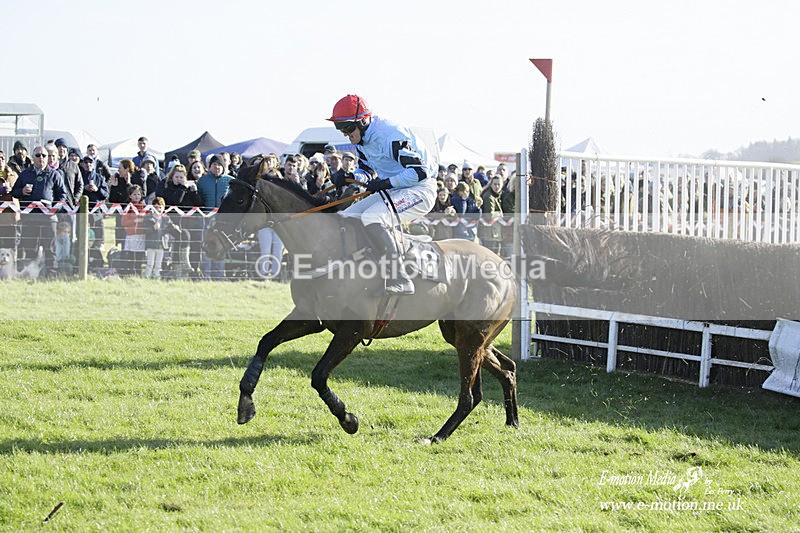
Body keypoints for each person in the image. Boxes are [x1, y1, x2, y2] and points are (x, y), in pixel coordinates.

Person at [327, 94, 436, 295]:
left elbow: (420, 172)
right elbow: (367, 172)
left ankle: (400, 278)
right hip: (394, 190)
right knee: (346, 217)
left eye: (348, 128)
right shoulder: (361, 140)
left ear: (363, 121)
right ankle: (366, 269)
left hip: (420, 190)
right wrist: (350, 176)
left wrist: (386, 183)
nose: (345, 134)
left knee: (372, 217)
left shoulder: (390, 135)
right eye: (340, 129)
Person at [11, 146, 67, 266]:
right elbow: (14, 192)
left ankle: (51, 271)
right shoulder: (25, 174)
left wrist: (55, 209)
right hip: (29, 218)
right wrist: (22, 191)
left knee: (50, 248)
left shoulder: (55, 174)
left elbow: (63, 194)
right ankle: (31, 272)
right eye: (38, 155)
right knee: (30, 248)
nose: (41, 157)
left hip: (48, 218)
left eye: (44, 155)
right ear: (32, 157)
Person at [157, 164, 201, 278]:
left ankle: (182, 271)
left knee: (183, 241)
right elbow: (175, 200)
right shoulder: (167, 187)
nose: (179, 179)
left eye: (181, 177)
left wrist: (194, 191)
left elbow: (198, 203)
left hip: (187, 222)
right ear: (172, 177)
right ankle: (182, 264)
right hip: (170, 221)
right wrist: (183, 188)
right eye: (177, 177)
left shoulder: (188, 188)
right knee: (180, 238)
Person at [197, 154, 232, 279]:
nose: (217, 167)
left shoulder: (231, 181)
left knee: (221, 247)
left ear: (223, 166)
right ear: (210, 166)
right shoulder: (202, 181)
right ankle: (206, 275)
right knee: (206, 246)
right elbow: (199, 199)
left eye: (219, 165)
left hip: (224, 221)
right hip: (206, 219)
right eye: (214, 164)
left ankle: (219, 275)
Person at [108, 159, 146, 247]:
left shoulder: (138, 177)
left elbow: (139, 196)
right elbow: (113, 200)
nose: (118, 170)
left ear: (127, 169)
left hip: (134, 214)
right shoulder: (118, 179)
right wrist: (114, 187)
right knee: (121, 239)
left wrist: (128, 184)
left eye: (120, 168)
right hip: (121, 214)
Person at [80, 155, 109, 252]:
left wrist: (97, 190)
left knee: (98, 235)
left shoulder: (99, 178)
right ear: (82, 164)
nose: (88, 164)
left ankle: (96, 256)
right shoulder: (79, 176)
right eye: (86, 162)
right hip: (82, 210)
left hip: (96, 211)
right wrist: (84, 188)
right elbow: (74, 192)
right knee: (81, 234)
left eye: (90, 162)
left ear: (93, 164)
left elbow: (106, 195)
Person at [119, 184, 146, 275]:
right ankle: (130, 273)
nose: (137, 196)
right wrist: (135, 220)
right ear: (130, 195)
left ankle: (138, 274)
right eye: (134, 194)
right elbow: (123, 222)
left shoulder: (144, 207)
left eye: (138, 194)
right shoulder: (129, 207)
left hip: (142, 235)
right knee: (131, 256)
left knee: (139, 257)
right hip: (132, 235)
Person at [142, 196, 170, 279]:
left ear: (164, 208)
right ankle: (147, 276)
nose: (158, 209)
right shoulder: (149, 218)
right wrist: (153, 228)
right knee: (150, 263)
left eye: (160, 207)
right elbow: (145, 230)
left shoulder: (166, 218)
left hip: (161, 245)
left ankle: (156, 276)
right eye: (156, 207)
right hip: (151, 245)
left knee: (158, 263)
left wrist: (175, 227)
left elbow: (170, 227)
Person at [478, 176, 505, 255]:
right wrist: (500, 213)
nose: (497, 187)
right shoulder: (489, 196)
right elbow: (489, 215)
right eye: (495, 184)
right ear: (491, 184)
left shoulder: (498, 195)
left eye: (499, 184)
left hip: (494, 232)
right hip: (490, 234)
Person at [0, 153, 20, 251]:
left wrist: (12, 190)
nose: (0, 160)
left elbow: (19, 190)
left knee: (12, 246)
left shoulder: (13, 174)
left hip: (12, 216)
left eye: (2, 158)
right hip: (1, 216)